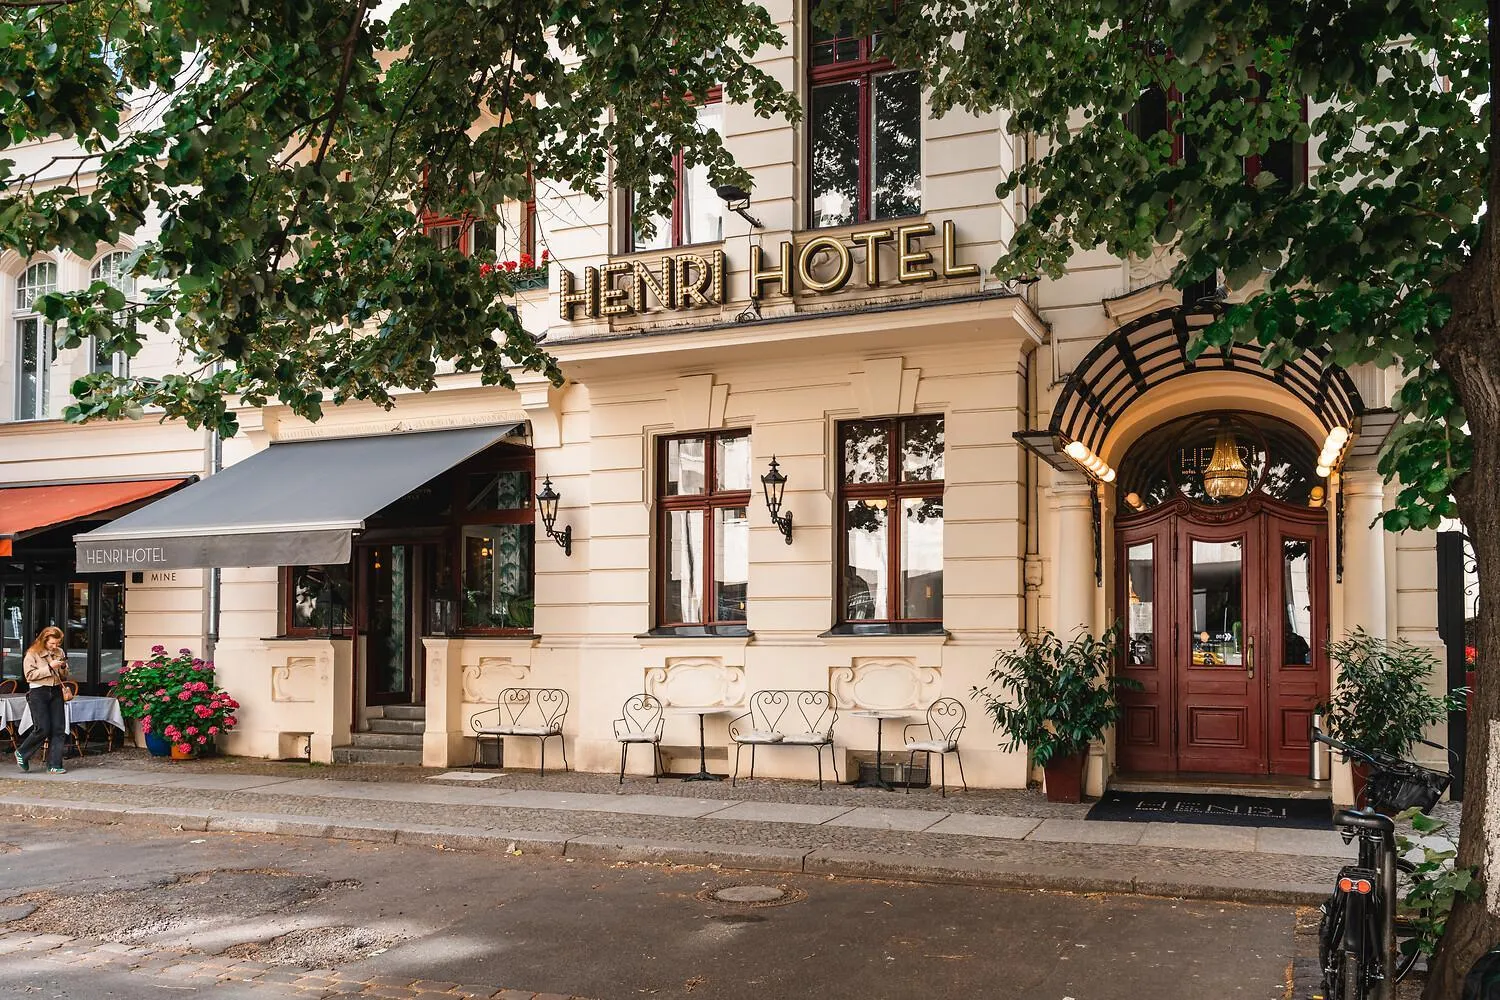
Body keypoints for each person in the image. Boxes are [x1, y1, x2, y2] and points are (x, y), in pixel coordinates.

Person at [15, 626, 69, 774]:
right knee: (43, 728)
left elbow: (64, 675)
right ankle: (22, 752)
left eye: (57, 643)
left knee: (59, 729)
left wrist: (63, 666)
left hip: (56, 690)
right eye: (52, 643)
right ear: (44, 640)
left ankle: (54, 765)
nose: (55, 646)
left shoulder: (59, 652)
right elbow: (29, 675)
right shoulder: (32, 653)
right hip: (38, 691)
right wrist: (50, 667)